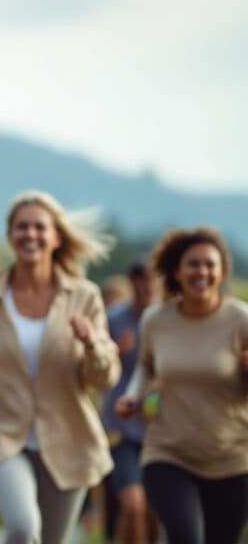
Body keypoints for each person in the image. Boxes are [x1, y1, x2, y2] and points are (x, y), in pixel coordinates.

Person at [0, 190, 120, 544]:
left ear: (56, 237)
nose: (30, 234)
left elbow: (105, 378)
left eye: (40, 227)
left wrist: (92, 343)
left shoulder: (84, 296)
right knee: (24, 529)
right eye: (22, 227)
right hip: (2, 433)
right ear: (10, 236)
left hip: (70, 438)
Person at [116, 228, 248, 544]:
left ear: (221, 272)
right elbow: (146, 370)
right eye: (193, 264)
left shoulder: (241, 319)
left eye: (209, 265)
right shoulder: (155, 320)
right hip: (169, 453)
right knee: (185, 537)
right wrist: (132, 397)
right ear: (176, 271)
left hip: (232, 458)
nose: (201, 272)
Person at [100, 262, 159, 544]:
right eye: (140, 281)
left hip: (161, 430)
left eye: (151, 281)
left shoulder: (167, 321)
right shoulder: (113, 319)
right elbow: (94, 368)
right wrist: (114, 352)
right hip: (120, 429)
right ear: (132, 283)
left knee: (152, 511)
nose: (146, 288)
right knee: (132, 504)